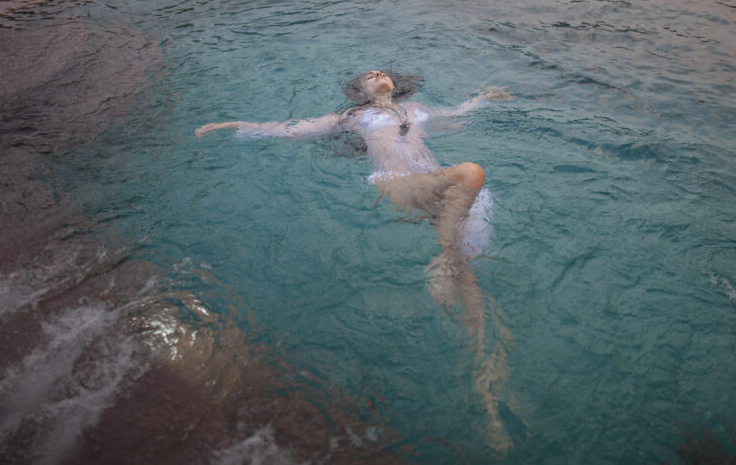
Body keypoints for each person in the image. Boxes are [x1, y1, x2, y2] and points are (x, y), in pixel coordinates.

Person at [196, 70, 514, 451]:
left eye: (381, 71)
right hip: (398, 183)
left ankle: (488, 395)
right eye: (368, 75)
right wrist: (232, 125)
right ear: (359, 90)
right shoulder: (351, 117)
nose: (377, 74)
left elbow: (457, 111)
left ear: (396, 84)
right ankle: (446, 257)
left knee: (469, 279)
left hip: (436, 184)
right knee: (471, 173)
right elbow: (291, 128)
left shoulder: (417, 108)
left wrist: (484, 96)